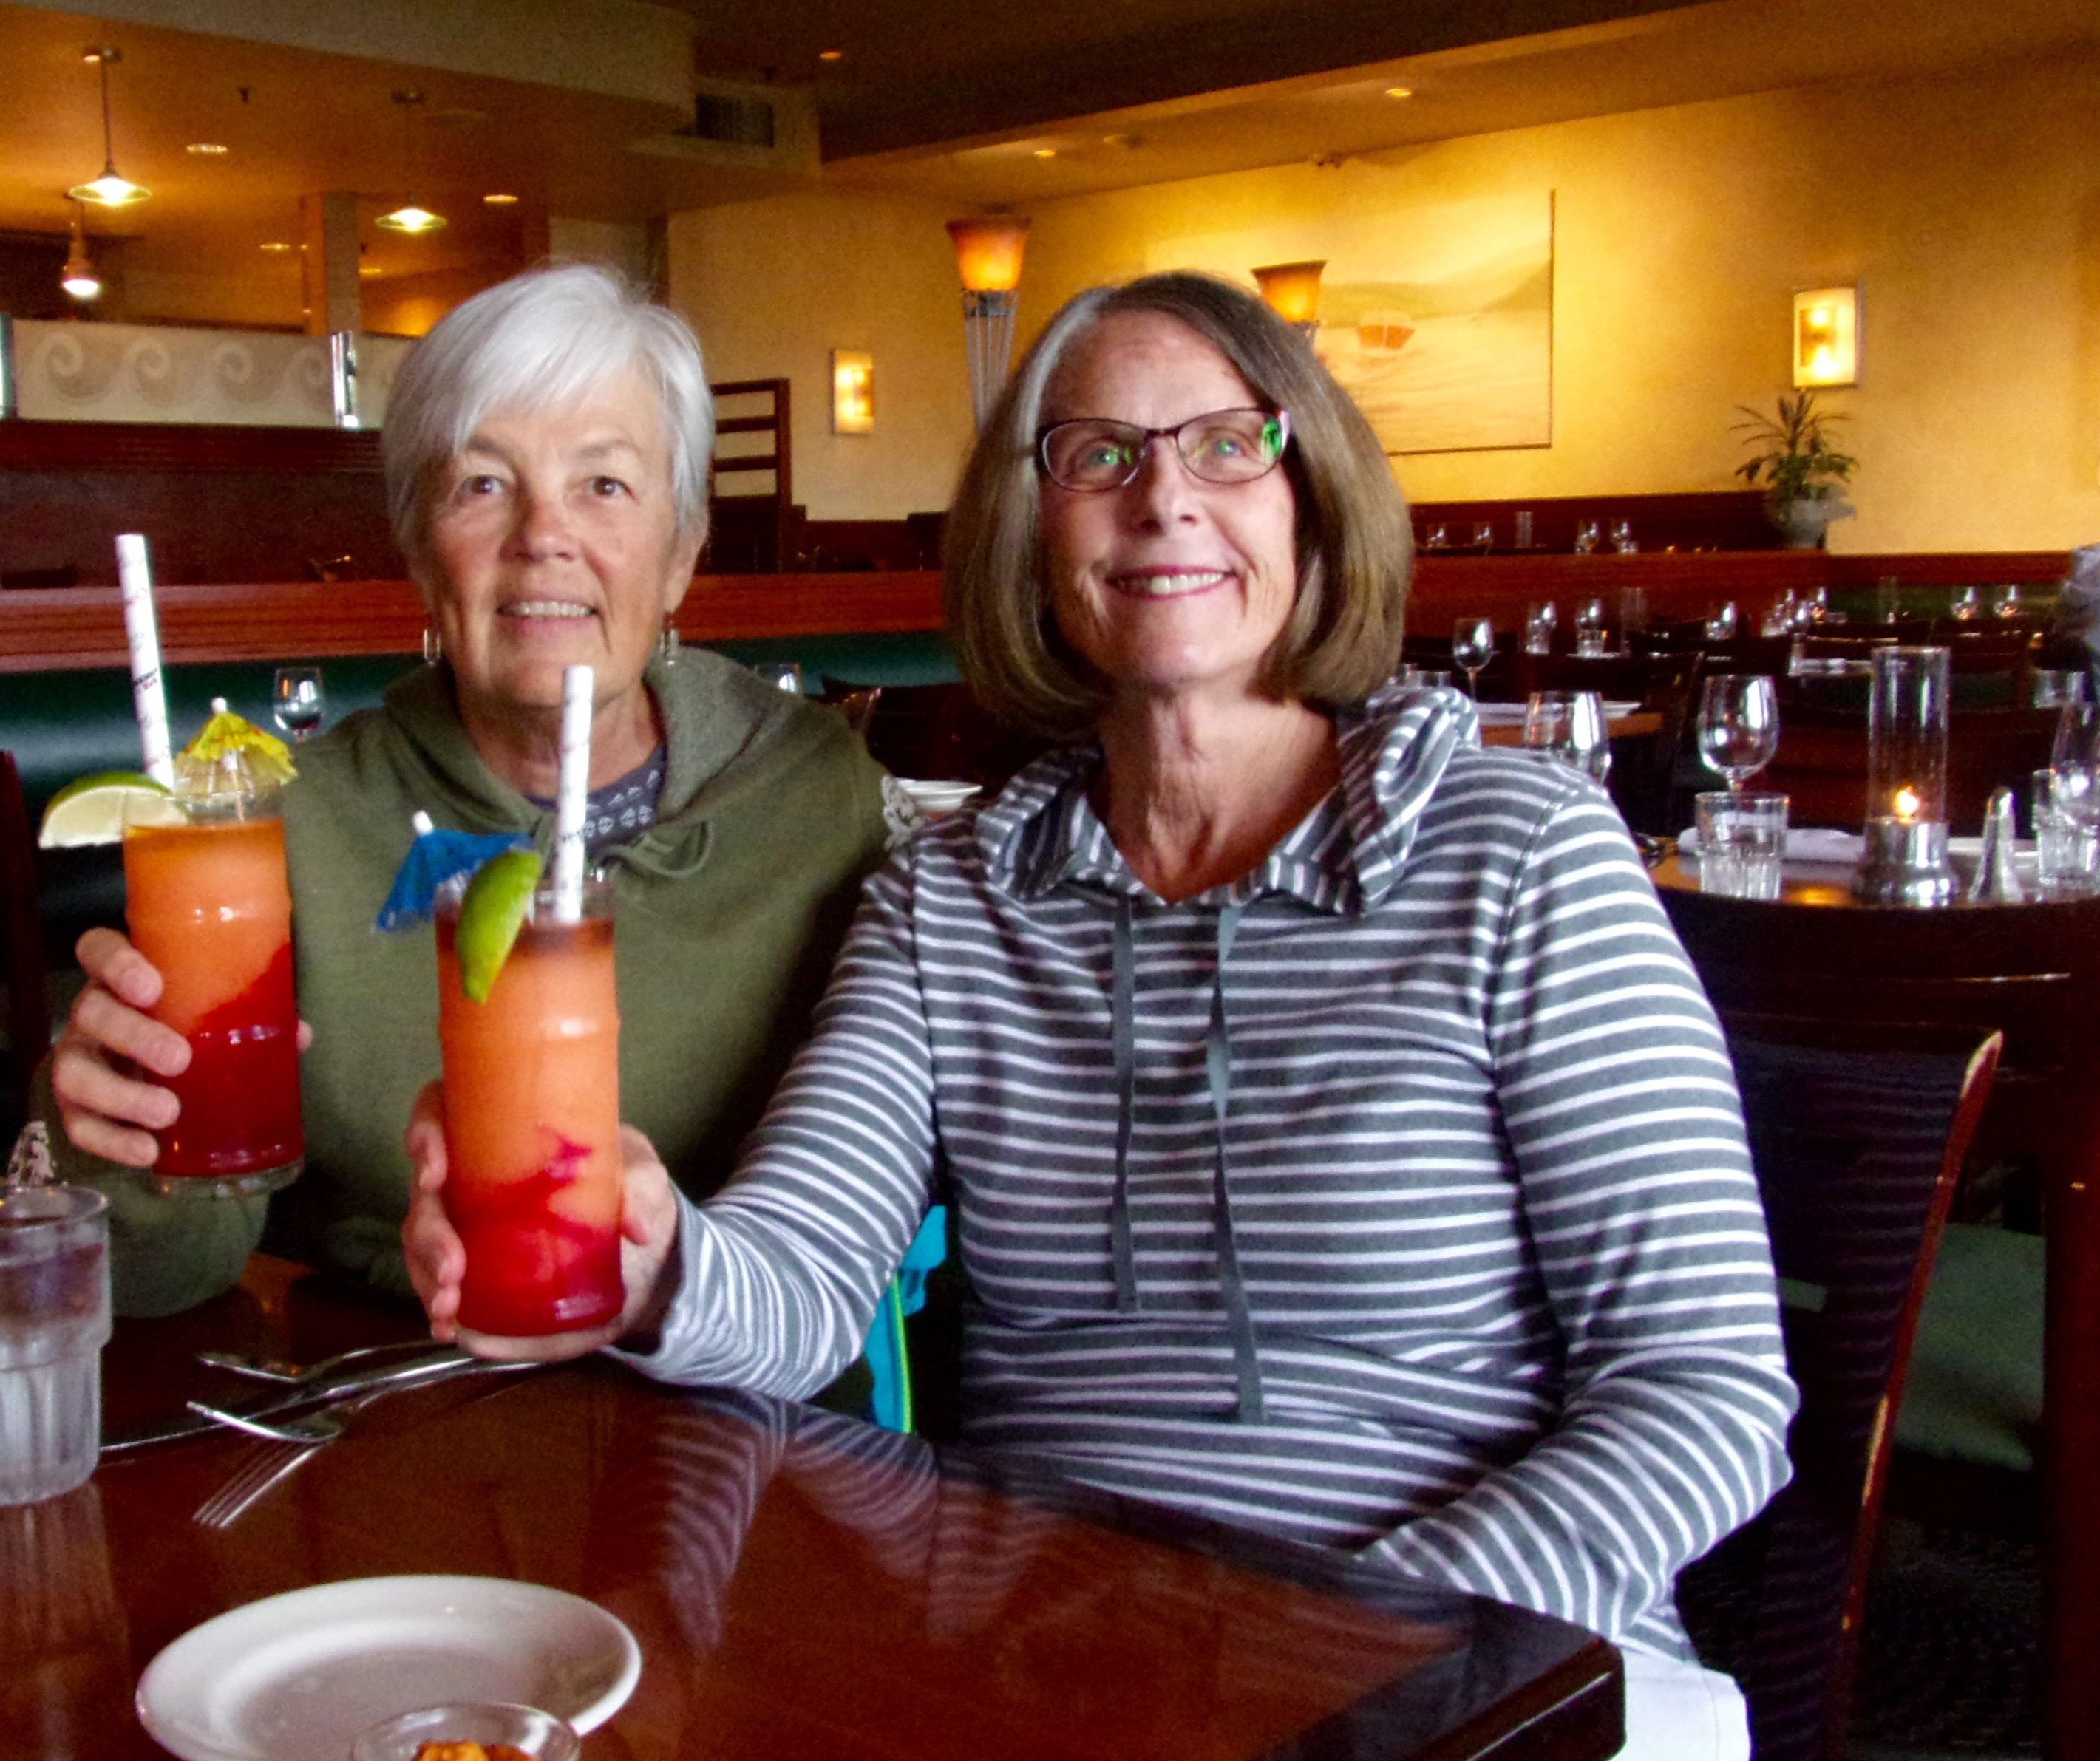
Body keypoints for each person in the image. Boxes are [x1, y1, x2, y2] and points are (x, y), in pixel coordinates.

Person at [408, 271, 1796, 1757]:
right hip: (1062, 1672)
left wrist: (1364, 1640)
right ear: (1031, 532)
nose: (1164, 501)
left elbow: (1702, 1391)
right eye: (1098, 456)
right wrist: (652, 1256)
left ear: (1312, 499)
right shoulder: (953, 896)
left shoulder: (1518, 854)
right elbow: (802, 1280)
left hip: (1485, 1673)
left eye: (1227, 446)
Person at [50, 265, 891, 1316]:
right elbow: (169, 1275)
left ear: (680, 552)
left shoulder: (818, 799)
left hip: (732, 1387)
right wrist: (122, 1136)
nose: (543, 534)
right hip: (385, 1376)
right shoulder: (288, 828)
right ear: (419, 555)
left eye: (603, 484)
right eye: (483, 485)